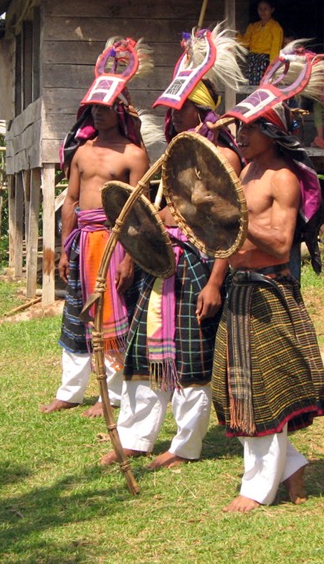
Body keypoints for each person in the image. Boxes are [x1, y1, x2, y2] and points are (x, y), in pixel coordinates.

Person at [100, 25, 246, 469]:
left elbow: (229, 228)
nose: (174, 116)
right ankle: (135, 438)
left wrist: (216, 282)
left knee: (189, 355)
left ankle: (185, 446)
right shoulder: (172, 156)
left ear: (200, 110)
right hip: (165, 263)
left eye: (182, 109)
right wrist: (130, 250)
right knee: (144, 352)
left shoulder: (225, 157)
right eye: (173, 110)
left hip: (200, 265)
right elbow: (161, 210)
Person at [212, 45, 324, 512]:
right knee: (239, 385)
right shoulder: (246, 170)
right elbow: (230, 234)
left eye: (247, 126)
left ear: (270, 129)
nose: (240, 135)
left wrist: (234, 218)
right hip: (240, 289)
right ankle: (290, 465)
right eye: (240, 127)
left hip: (269, 290)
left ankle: (257, 489)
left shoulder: (282, 177)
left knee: (264, 389)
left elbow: (282, 243)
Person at [40, 38, 152, 418]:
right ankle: (70, 391)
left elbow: (141, 210)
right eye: (93, 109)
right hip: (83, 241)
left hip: (116, 242)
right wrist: (62, 249)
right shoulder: (82, 152)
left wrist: (130, 259)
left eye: (104, 109)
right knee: (77, 315)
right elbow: (71, 200)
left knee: (116, 316)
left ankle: (116, 394)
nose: (97, 115)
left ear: (120, 111)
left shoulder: (134, 155)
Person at [241, 0, 283, 85]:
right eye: (260, 9)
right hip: (253, 63)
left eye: (265, 9)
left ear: (272, 10)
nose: (262, 11)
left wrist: (272, 69)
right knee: (251, 87)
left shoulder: (275, 27)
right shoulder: (253, 26)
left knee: (263, 87)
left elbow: (275, 49)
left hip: (265, 63)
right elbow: (245, 43)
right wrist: (235, 35)